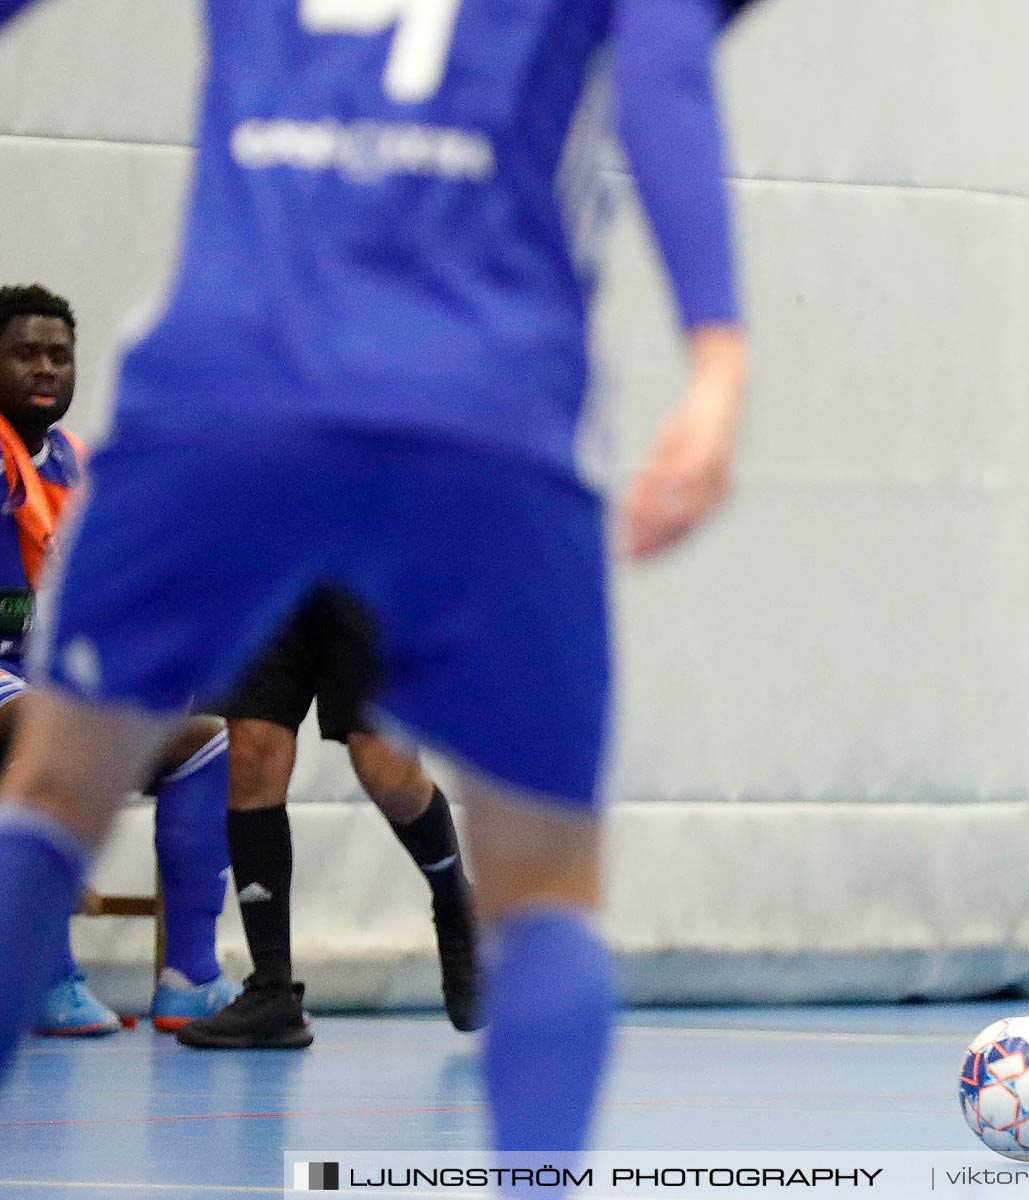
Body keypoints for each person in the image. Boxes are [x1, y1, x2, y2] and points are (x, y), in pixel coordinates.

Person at [0, 0, 753, 1170]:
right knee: (548, 880)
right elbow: (665, 77)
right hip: (482, 406)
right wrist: (717, 352)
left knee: (50, 799)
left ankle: (387, 925)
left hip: (228, 390)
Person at [0, 283, 239, 1037]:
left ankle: (189, 978)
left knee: (204, 740)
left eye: (59, 355)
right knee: (52, 732)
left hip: (43, 681)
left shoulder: (75, 461)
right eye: (25, 353)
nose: (45, 368)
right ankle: (45, 971)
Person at [178, 588, 480, 1049]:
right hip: (270, 557)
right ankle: (272, 990)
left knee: (388, 771)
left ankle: (455, 901)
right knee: (253, 748)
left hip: (367, 563)